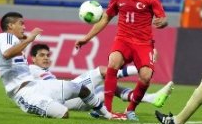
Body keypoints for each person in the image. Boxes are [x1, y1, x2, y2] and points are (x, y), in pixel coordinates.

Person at [75, 0, 168, 121]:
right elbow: (105, 18)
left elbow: (163, 18)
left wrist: (162, 22)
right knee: (113, 64)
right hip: (123, 40)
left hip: (143, 43)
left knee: (146, 77)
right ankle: (106, 110)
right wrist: (87, 38)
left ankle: (130, 109)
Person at [0, 12, 121, 119]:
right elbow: (7, 54)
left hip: (37, 84)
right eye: (21, 23)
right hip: (24, 93)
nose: (24, 27)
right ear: (10, 25)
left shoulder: (15, 41)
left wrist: (25, 40)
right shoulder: (5, 36)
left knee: (82, 89)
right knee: (63, 113)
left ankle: (108, 116)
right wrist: (29, 39)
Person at [28, 43, 174, 112]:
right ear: (33, 59)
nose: (46, 58)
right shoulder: (32, 69)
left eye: (47, 55)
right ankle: (140, 68)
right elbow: (52, 85)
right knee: (102, 71)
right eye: (42, 55)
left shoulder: (41, 73)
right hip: (63, 97)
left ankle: (151, 98)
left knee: (108, 87)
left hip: (70, 102)